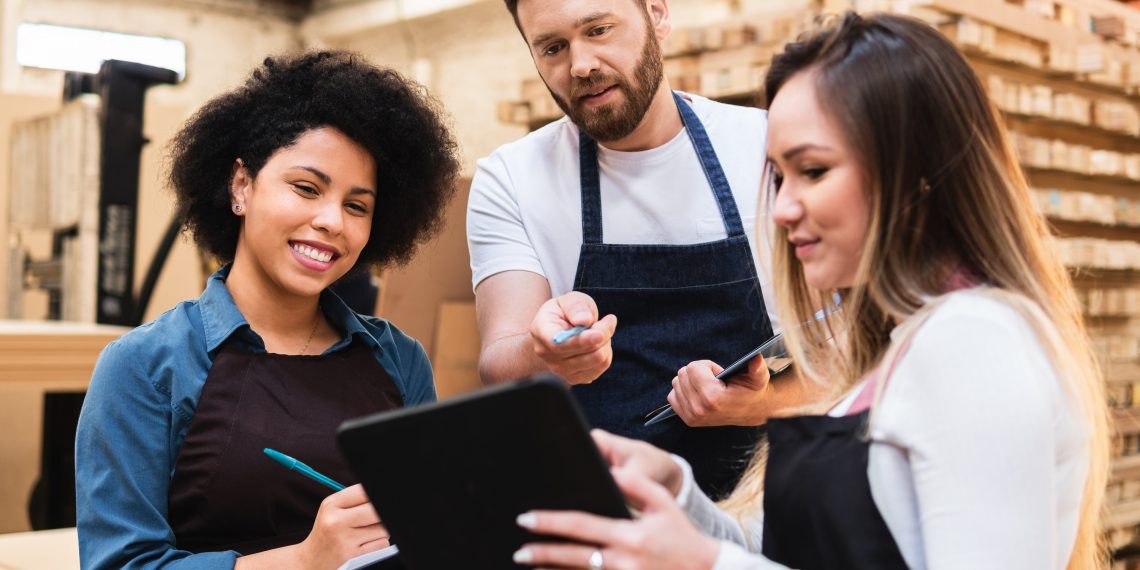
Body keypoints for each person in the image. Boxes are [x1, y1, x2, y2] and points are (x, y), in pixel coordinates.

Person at [509, 12, 1110, 569]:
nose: (783, 207)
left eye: (814, 171)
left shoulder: (974, 344)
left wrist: (706, 564)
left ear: (918, 172)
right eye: (779, 176)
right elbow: (802, 553)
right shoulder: (896, 348)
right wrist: (678, 495)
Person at [75, 50, 460, 569]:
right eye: (306, 188)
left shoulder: (399, 359)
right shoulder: (144, 366)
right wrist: (305, 561)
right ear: (241, 186)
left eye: (357, 205)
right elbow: (120, 564)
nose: (332, 221)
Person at [468, 0, 814, 500]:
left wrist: (756, 404)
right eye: (553, 47)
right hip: (610, 511)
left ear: (657, 15)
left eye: (599, 29)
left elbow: (848, 361)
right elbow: (499, 363)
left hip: (770, 502)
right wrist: (546, 354)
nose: (580, 64)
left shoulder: (766, 146)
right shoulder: (512, 177)